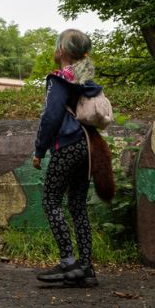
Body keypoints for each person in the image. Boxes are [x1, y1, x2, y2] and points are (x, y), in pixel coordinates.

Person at [32, 29, 105, 287]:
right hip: (87, 146)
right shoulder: (85, 78)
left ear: (61, 50)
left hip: (67, 144)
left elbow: (50, 117)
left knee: (51, 200)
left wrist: (40, 150)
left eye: (55, 46)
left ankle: (68, 261)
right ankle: (86, 268)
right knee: (77, 206)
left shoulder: (59, 78)